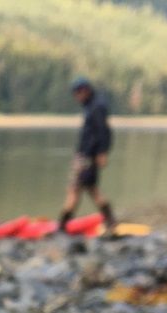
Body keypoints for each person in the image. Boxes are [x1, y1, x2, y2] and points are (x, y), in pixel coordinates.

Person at [58, 76, 116, 235]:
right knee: (90, 189)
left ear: (85, 90)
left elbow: (104, 131)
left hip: (88, 156)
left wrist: (102, 152)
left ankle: (62, 226)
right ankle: (110, 220)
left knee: (75, 189)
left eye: (77, 93)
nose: (76, 97)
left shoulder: (97, 106)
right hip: (84, 155)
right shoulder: (91, 105)